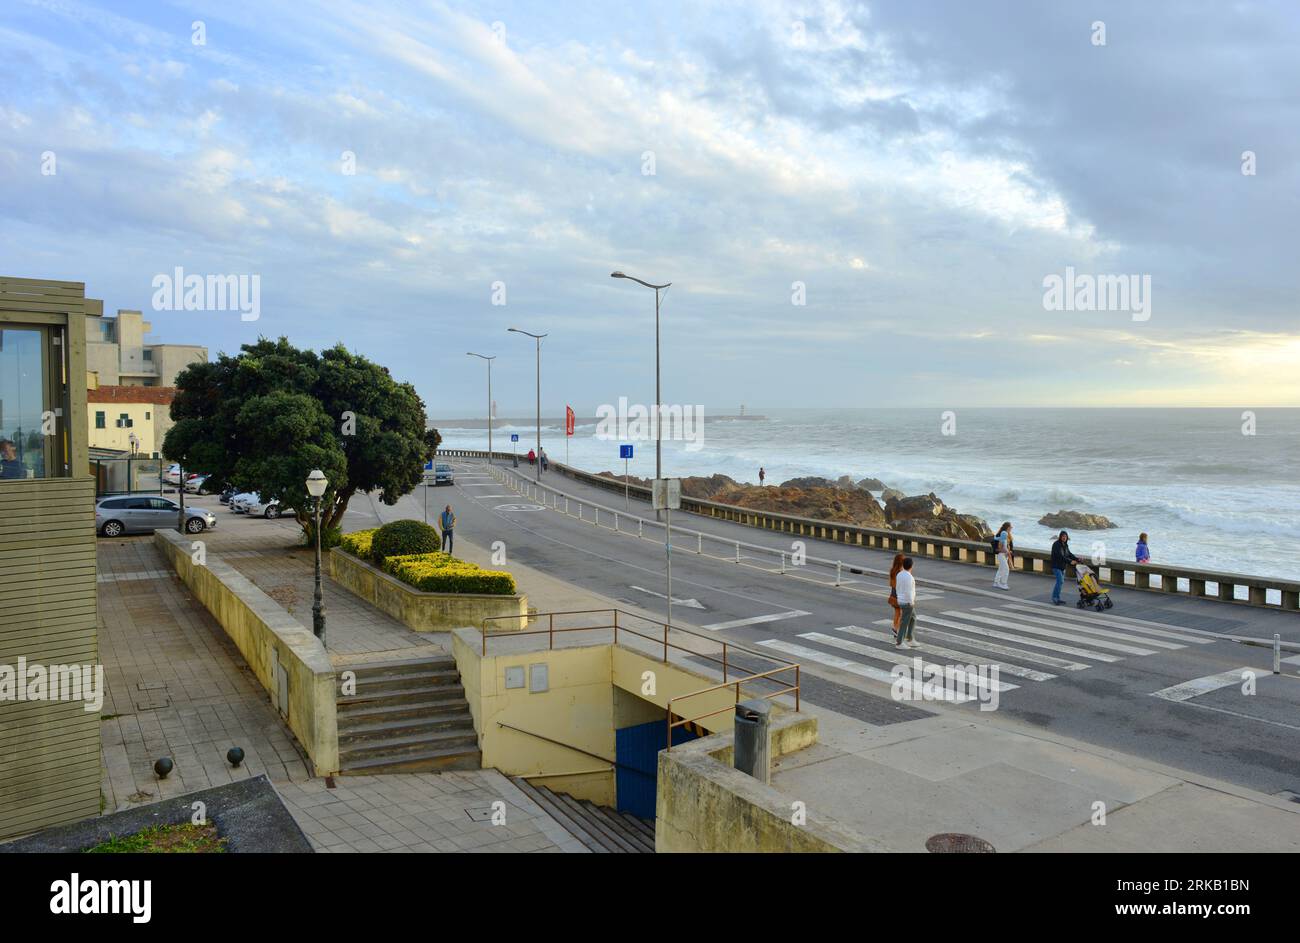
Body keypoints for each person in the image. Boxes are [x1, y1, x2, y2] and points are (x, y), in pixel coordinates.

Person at [1050, 530, 1080, 605]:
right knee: (1060, 581)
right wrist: (1070, 561)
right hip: (1056, 566)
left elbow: (1069, 554)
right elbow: (1060, 556)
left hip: (1062, 566)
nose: (1064, 538)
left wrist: (1077, 559)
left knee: (1060, 582)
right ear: (1060, 537)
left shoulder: (1065, 545)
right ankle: (1055, 598)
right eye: (1063, 536)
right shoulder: (1056, 544)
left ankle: (1058, 598)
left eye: (1065, 537)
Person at [895, 557, 917, 647]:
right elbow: (909, 592)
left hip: (901, 600)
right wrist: (911, 602)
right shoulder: (910, 577)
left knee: (913, 617)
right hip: (907, 602)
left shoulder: (899, 574)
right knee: (904, 622)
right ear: (911, 566)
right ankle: (899, 642)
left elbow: (897, 587)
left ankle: (910, 638)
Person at [887, 552, 905, 635]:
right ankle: (897, 628)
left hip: (893, 594)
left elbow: (891, 583)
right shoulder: (900, 572)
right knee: (903, 613)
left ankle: (895, 628)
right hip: (899, 594)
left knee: (897, 612)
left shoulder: (892, 570)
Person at [993, 521, 1013, 590]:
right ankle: (1003, 583)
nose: (1011, 528)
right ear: (1007, 527)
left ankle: (996, 582)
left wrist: (1009, 551)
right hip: (1001, 555)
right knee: (1006, 569)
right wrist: (1003, 550)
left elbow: (1010, 545)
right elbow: (996, 548)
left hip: (1006, 555)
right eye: (1010, 527)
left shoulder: (1008, 535)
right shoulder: (1001, 535)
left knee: (1001, 569)